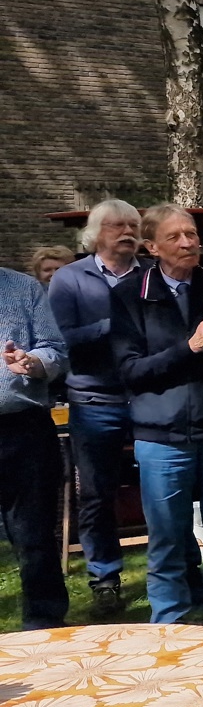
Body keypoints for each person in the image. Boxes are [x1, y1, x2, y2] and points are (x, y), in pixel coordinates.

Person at [111, 204, 203, 632]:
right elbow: (131, 372)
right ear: (151, 247)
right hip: (161, 434)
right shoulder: (130, 295)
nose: (188, 243)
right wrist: (191, 346)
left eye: (192, 234)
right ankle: (170, 625)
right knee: (166, 537)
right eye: (175, 237)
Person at [46, 199, 145, 615]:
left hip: (149, 395)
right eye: (117, 225)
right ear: (95, 233)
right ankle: (105, 578)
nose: (127, 232)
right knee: (97, 494)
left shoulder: (151, 275)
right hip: (94, 399)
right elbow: (57, 339)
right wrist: (113, 326)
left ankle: (180, 567)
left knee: (163, 488)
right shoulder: (70, 278)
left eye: (133, 226)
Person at [0, 266, 70, 629]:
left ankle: (44, 626)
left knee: (34, 535)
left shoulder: (24, 289)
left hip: (22, 428)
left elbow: (55, 350)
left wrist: (33, 363)